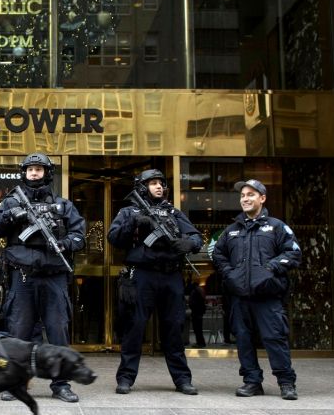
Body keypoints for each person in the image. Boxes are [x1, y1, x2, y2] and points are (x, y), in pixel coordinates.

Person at [0, 153, 86, 403]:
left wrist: (63, 244)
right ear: (24, 173)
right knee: (18, 332)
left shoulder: (63, 205)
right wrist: (12, 215)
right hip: (23, 277)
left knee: (58, 331)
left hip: (54, 277)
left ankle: (61, 384)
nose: (33, 173)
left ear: (47, 173)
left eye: (38, 169)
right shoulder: (10, 201)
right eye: (30, 169)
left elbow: (80, 235)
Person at [107, 169, 202, 395]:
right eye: (153, 183)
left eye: (161, 183)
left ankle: (182, 379)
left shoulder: (173, 212)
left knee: (174, 328)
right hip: (142, 275)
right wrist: (135, 223)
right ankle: (126, 378)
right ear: (142, 187)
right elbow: (114, 238)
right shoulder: (129, 211)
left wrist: (188, 244)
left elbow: (196, 236)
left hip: (171, 276)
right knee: (134, 328)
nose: (159, 187)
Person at [212, 179, 302, 400]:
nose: (245, 198)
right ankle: (252, 382)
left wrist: (270, 268)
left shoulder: (277, 226)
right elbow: (217, 254)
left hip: (268, 296)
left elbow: (293, 253)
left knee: (275, 338)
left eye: (251, 194)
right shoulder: (231, 230)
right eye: (243, 195)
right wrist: (228, 273)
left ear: (262, 198)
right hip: (240, 297)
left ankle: (286, 383)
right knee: (243, 340)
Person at [187, 281, 207, 348]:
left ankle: (200, 343)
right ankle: (201, 342)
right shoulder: (200, 291)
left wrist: (191, 306)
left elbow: (191, 303)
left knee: (197, 329)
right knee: (199, 329)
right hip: (199, 312)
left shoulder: (194, 292)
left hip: (196, 312)